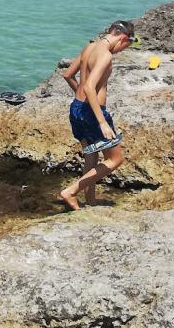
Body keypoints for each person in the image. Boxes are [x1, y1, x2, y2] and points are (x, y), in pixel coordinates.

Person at [58, 21, 135, 210]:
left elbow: (68, 74)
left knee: (91, 156)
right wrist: (102, 122)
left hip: (77, 108)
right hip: (93, 114)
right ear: (123, 38)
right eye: (126, 46)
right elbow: (90, 87)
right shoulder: (105, 55)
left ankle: (89, 202)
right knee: (116, 159)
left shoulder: (90, 47)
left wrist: (81, 101)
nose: (121, 50)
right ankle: (70, 191)